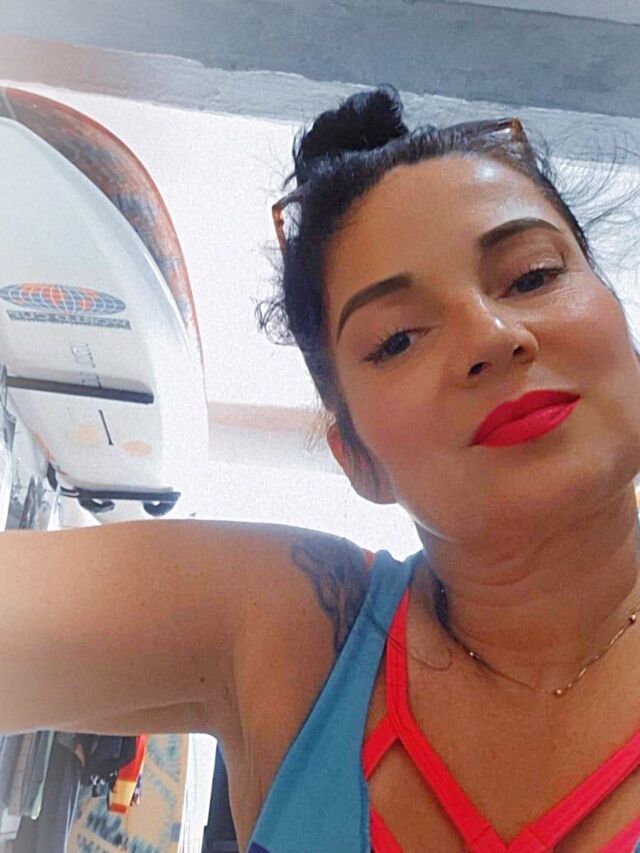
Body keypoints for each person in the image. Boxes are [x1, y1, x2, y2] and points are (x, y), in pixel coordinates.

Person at [2, 86, 640, 852]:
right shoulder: (301, 624)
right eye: (397, 339)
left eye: (532, 275)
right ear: (359, 460)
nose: (490, 334)